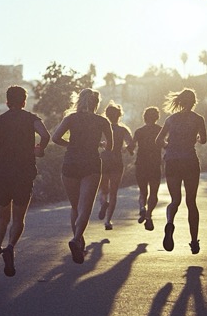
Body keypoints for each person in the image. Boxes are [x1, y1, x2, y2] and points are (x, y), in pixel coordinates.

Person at [0, 85, 50, 277]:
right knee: (18, 218)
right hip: (24, 174)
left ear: (7, 101)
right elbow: (45, 135)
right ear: (24, 101)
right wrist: (39, 149)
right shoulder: (31, 119)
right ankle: (9, 248)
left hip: (2, 174)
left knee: (2, 216)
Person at [52, 88, 113, 264]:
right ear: (97, 103)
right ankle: (76, 239)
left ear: (79, 100)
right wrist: (100, 144)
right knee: (85, 206)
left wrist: (71, 144)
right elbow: (110, 146)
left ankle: (78, 241)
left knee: (75, 206)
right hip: (91, 165)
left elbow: (55, 138)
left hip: (70, 164)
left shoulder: (70, 118)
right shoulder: (102, 121)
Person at [155, 88, 207, 254]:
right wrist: (195, 138)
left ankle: (170, 222)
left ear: (180, 101)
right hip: (190, 161)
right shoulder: (198, 119)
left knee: (175, 200)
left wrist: (168, 147)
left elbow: (158, 141)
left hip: (172, 161)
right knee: (191, 202)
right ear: (193, 102)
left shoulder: (171, 119)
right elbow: (204, 140)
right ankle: (193, 242)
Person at [97, 101, 132, 230]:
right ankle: (108, 221)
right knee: (113, 192)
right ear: (119, 115)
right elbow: (131, 143)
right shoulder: (123, 129)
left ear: (106, 115)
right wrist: (126, 148)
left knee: (103, 190)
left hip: (103, 160)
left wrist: (101, 144)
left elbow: (96, 141)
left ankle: (103, 204)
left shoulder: (101, 128)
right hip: (117, 161)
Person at [127, 106, 163, 231]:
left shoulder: (139, 131)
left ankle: (142, 207)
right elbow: (165, 145)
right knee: (153, 192)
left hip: (141, 164)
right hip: (154, 165)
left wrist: (129, 150)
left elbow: (131, 147)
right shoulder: (160, 130)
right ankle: (148, 216)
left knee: (143, 191)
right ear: (157, 117)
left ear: (144, 117)